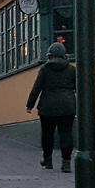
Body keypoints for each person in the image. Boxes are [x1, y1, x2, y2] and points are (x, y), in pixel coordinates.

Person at [26, 42, 76, 172]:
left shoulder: (45, 69)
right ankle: (66, 162)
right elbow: (78, 87)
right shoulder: (71, 69)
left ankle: (47, 160)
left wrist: (30, 104)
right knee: (66, 133)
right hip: (67, 106)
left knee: (47, 134)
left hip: (47, 107)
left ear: (50, 56)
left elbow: (37, 88)